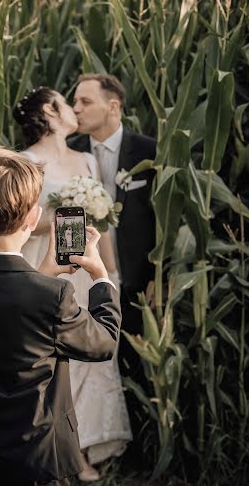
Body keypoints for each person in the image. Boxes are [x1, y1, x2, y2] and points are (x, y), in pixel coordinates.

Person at [0, 147, 121, 486]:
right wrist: (101, 277)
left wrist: (44, 273)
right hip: (38, 457)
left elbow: (6, 311)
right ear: (33, 219)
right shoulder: (51, 296)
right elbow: (102, 343)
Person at [14, 88, 132, 481]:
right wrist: (67, 213)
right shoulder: (25, 162)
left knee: (87, 356)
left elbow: (103, 225)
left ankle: (81, 449)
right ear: (50, 112)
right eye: (67, 103)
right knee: (51, 359)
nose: (73, 110)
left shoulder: (86, 160)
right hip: (43, 269)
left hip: (85, 271)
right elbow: (17, 225)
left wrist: (110, 276)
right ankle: (48, 449)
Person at [69, 74, 157, 340]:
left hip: (140, 282)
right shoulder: (70, 154)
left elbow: (167, 217)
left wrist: (160, 275)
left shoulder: (150, 152)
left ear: (113, 107)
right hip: (86, 281)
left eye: (85, 101)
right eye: (74, 102)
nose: (76, 109)